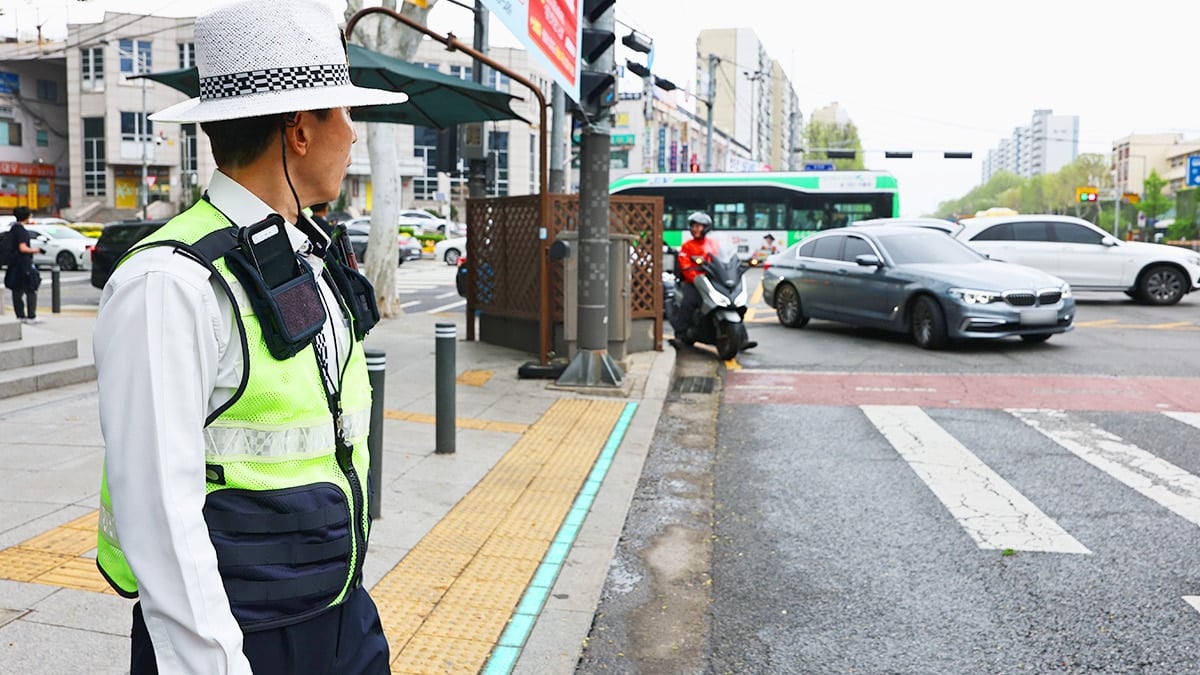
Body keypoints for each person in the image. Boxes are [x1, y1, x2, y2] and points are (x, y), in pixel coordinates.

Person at [92, 2, 408, 673]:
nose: (354, 134)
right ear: (300, 130)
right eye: (344, 112)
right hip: (239, 637)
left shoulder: (302, 255)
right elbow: (159, 517)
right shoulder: (170, 283)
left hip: (341, 611)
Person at [669, 212, 722, 344]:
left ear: (706, 228)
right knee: (689, 302)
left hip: (713, 281)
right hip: (693, 282)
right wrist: (696, 278)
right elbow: (685, 265)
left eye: (698, 226)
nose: (695, 229)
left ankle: (742, 338)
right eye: (693, 226)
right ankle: (680, 336)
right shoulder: (687, 246)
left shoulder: (714, 244)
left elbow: (722, 260)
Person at [4, 206, 45, 324]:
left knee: (17, 291)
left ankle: (20, 315)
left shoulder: (13, 229)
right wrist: (36, 250)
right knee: (30, 289)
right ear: (27, 216)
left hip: (14, 265)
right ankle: (31, 316)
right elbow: (22, 248)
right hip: (24, 264)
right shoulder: (21, 231)